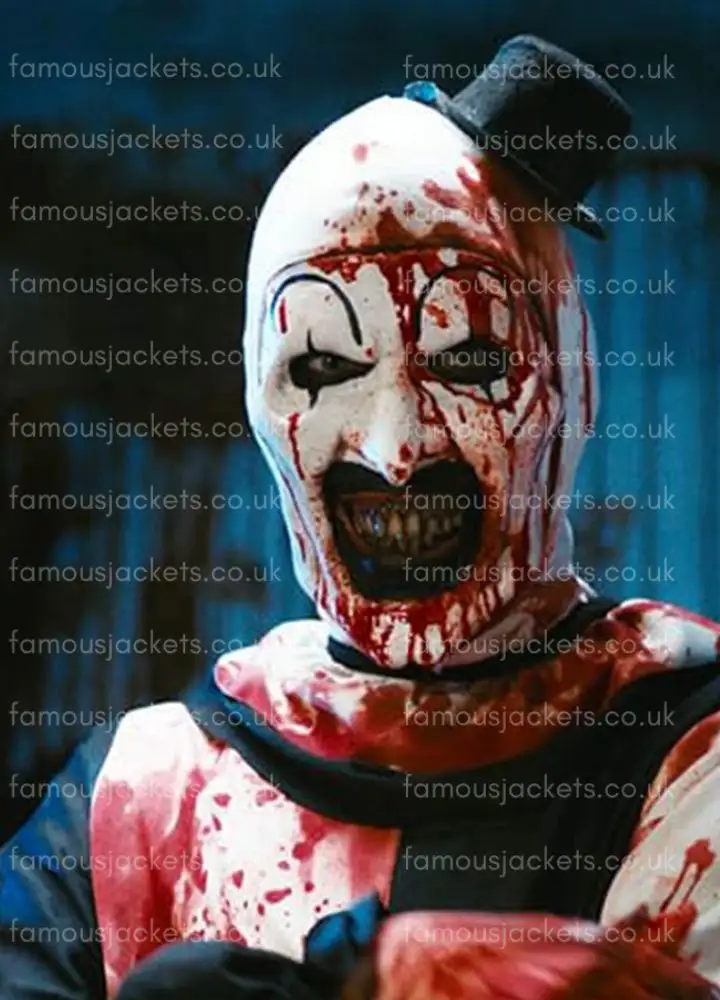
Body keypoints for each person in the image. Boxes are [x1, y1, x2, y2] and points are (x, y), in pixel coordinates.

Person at [3, 35, 720, 1000]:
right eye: (324, 367)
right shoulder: (146, 798)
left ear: (567, 381)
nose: (395, 449)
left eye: (467, 361)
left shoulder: (691, 752)